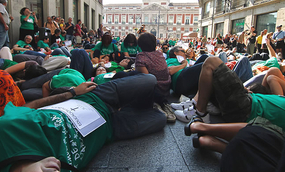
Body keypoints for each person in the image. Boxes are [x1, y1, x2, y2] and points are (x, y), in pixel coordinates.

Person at [0, 73, 166, 172]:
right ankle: (131, 106)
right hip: (110, 128)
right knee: (160, 118)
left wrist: (72, 92)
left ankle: (133, 102)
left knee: (149, 79)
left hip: (94, 97)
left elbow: (31, 105)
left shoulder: (5, 126)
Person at [173, 56, 285, 132]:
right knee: (211, 74)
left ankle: (200, 112)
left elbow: (272, 79)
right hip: (249, 102)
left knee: (212, 62)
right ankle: (196, 104)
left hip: (247, 106)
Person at [135, 33, 174, 122]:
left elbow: (147, 79)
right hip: (166, 87)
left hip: (155, 89)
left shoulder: (141, 57)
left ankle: (156, 103)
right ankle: (164, 104)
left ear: (140, 45)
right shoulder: (159, 53)